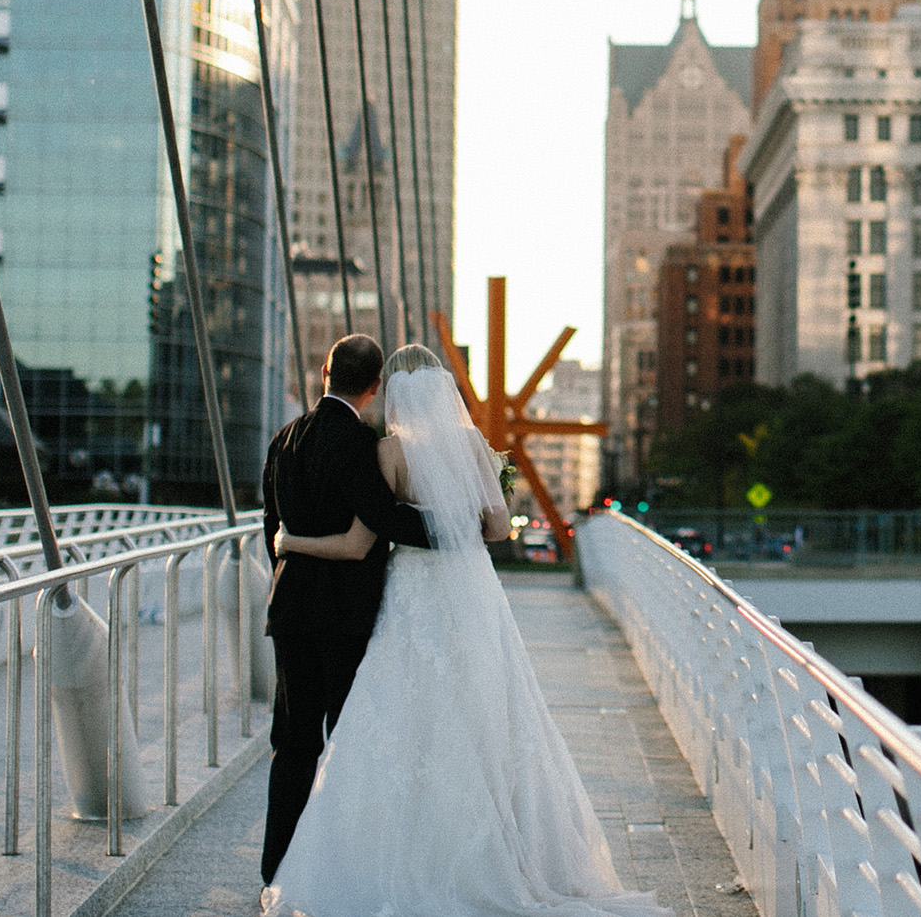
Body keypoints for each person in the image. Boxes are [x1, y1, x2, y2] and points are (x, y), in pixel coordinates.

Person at [261, 343, 665, 917]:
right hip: (466, 595)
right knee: (479, 720)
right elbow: (498, 528)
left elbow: (338, 531)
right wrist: (457, 532)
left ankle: (288, 867)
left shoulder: (363, 448)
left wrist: (287, 551)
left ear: (387, 389)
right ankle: (484, 845)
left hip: (333, 604)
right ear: (378, 386)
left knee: (335, 738)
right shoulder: (474, 447)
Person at [259, 333, 438, 885]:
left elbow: (273, 528)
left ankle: (276, 867)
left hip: (290, 610)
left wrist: (290, 570)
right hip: (343, 616)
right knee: (344, 738)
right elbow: (381, 516)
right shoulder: (358, 442)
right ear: (375, 386)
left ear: (324, 373)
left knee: (291, 743)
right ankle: (336, 867)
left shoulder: (284, 439)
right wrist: (456, 530)